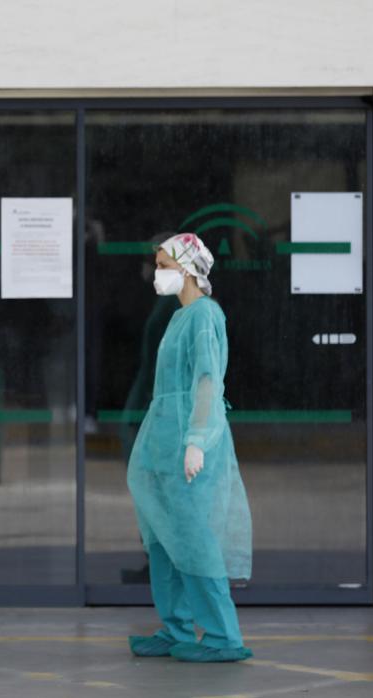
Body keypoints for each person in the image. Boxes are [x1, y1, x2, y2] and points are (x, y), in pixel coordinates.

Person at [127, 233, 254, 663]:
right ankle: (176, 628)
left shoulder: (204, 315)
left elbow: (206, 381)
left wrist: (196, 441)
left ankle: (222, 636)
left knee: (194, 539)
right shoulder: (178, 316)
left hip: (188, 443)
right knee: (164, 540)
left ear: (186, 268)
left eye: (163, 264)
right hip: (163, 442)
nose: (156, 272)